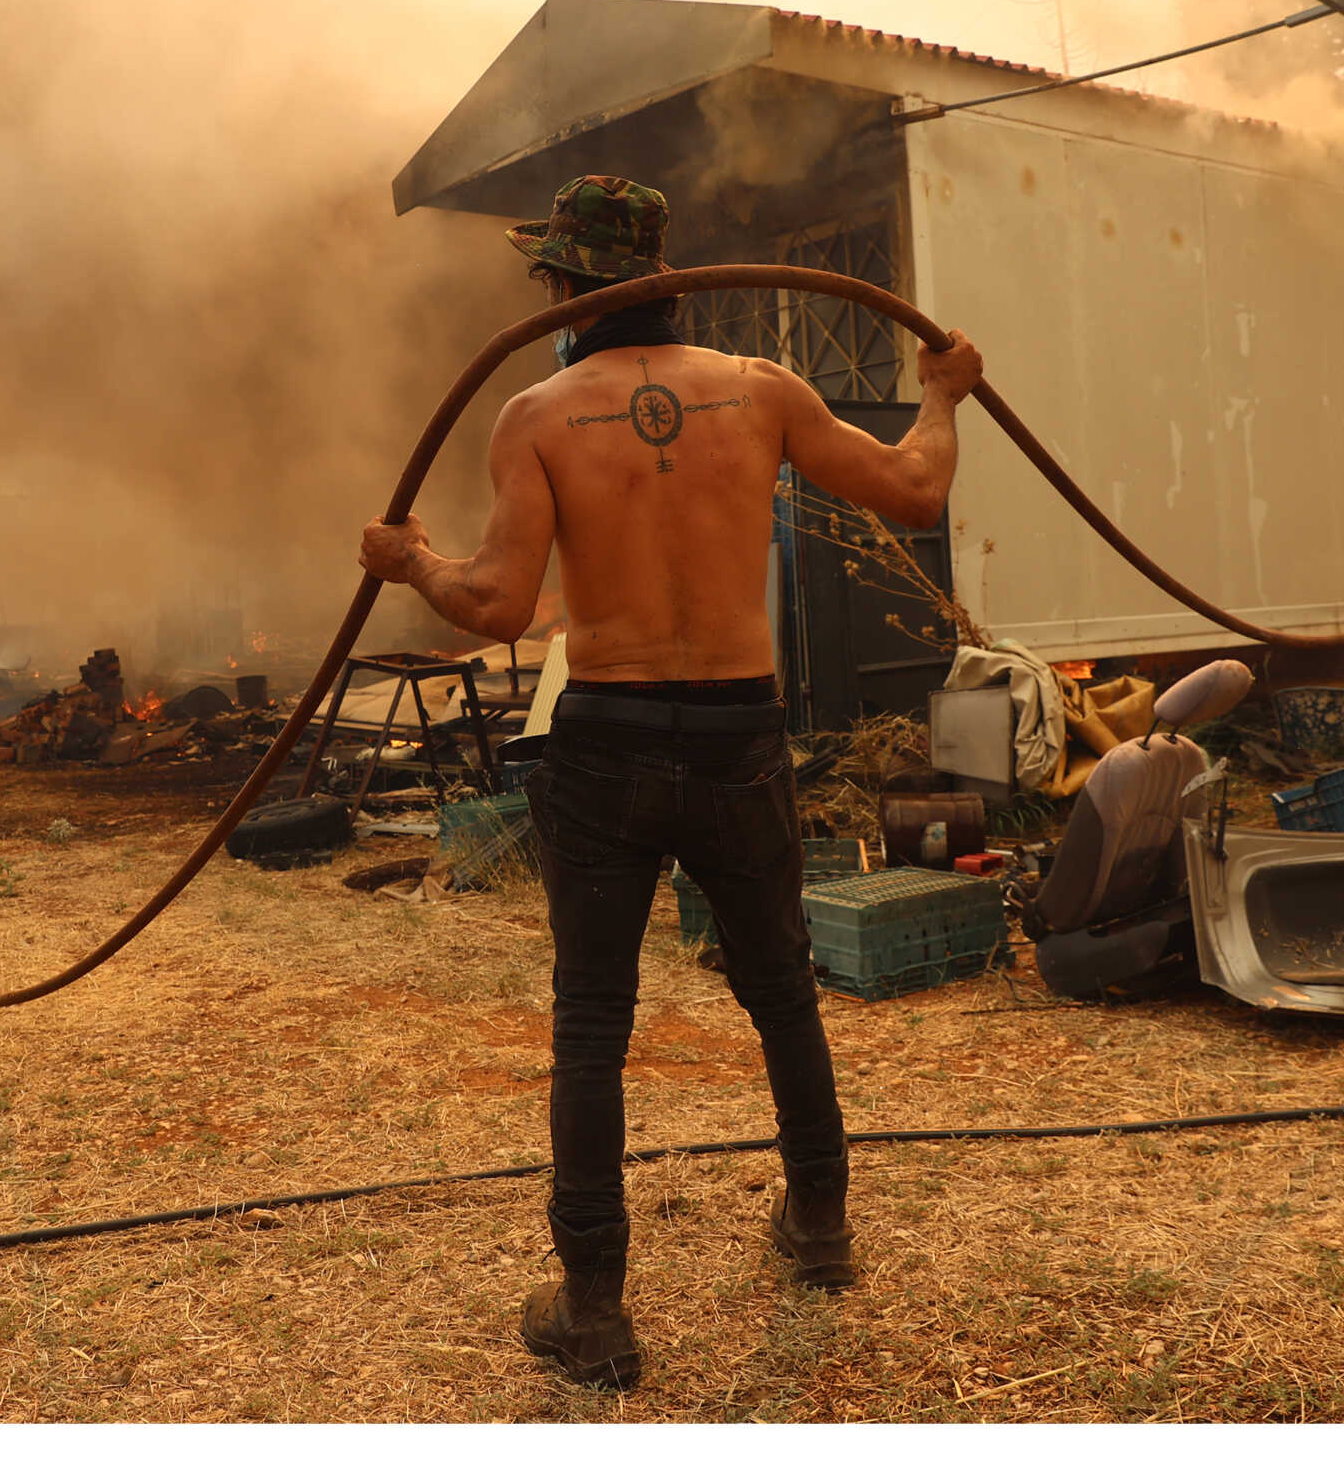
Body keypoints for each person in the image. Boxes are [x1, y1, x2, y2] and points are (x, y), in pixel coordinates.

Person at [359, 174, 984, 1389]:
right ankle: (819, 1230)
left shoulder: (536, 412)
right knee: (781, 993)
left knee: (591, 1024)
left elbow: (493, 606)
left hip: (604, 741)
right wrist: (941, 397)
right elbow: (917, 487)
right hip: (737, 736)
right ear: (662, 278)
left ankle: (592, 1308)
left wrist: (411, 562)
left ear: (562, 287)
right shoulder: (761, 392)